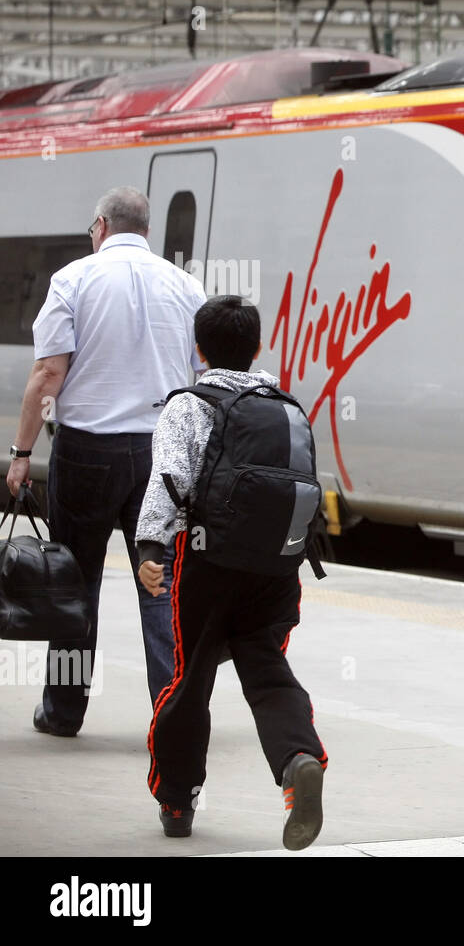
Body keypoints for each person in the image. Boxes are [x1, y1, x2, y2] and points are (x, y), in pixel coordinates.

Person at [7, 186, 205, 738]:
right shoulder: (186, 286)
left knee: (74, 583)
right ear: (146, 231)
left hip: (86, 453)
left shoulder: (73, 280)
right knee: (158, 582)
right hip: (161, 454)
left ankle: (64, 712)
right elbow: (199, 373)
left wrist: (22, 454)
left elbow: (48, 374)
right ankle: (172, 715)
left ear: (99, 226)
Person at [135, 295, 328, 848]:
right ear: (258, 348)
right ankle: (298, 759)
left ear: (197, 349)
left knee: (190, 679)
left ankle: (177, 800)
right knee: (267, 672)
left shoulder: (190, 404)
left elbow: (168, 479)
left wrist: (151, 549)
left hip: (208, 564)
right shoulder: (286, 403)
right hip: (275, 570)